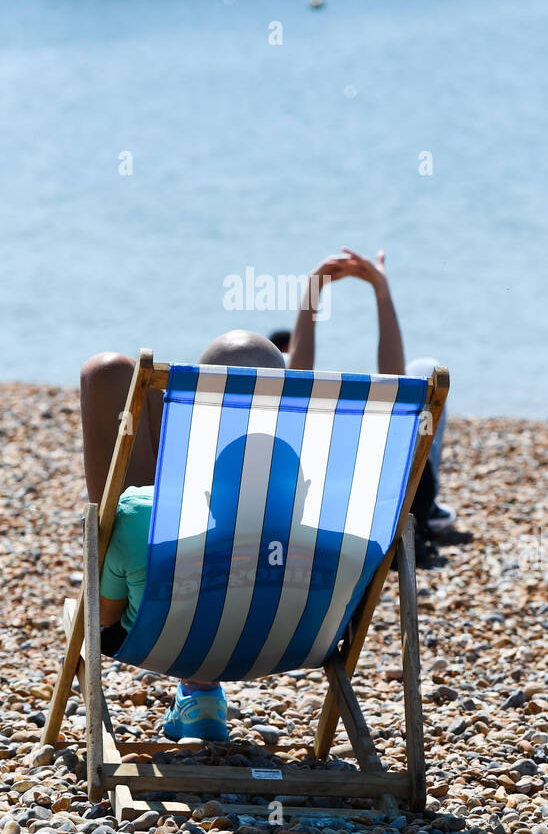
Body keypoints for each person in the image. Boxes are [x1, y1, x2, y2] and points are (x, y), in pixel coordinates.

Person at [81, 329, 285, 744]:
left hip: (158, 636)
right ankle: (201, 694)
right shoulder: (333, 514)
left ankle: (200, 689)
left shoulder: (142, 513)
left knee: (107, 372)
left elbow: (104, 620)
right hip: (287, 639)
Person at [285, 248, 455, 534]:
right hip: (403, 508)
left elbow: (295, 382)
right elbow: (397, 387)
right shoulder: (385, 461)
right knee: (424, 370)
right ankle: (433, 508)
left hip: (330, 523)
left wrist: (313, 289)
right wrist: (382, 292)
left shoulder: (296, 451)